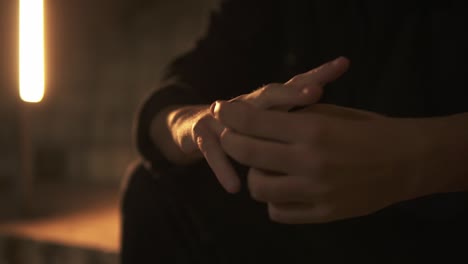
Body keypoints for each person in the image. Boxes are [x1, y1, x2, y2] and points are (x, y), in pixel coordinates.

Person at [121, 1, 468, 263]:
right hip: (304, 230)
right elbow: (179, 92)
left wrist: (417, 159)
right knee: (152, 190)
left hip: (444, 229)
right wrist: (198, 123)